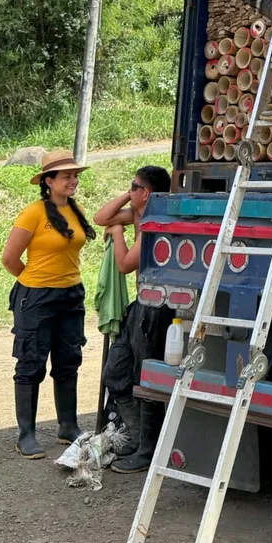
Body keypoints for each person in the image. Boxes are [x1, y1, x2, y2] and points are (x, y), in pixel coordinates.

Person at [1, 148, 97, 459]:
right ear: (49, 181)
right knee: (31, 363)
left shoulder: (75, 208)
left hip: (71, 295)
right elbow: (10, 259)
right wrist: (35, 281)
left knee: (68, 360)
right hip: (37, 297)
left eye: (75, 176)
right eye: (67, 176)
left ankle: (67, 426)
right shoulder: (33, 213)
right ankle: (25, 434)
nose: (73, 181)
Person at [93, 165, 173, 474]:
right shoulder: (137, 214)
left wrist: (116, 234)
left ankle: (148, 449)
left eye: (133, 186)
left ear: (147, 193)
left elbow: (126, 263)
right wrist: (128, 196)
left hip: (154, 306)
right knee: (116, 371)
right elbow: (101, 217)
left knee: (145, 377)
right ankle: (137, 437)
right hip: (139, 304)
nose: (128, 191)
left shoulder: (154, 221)